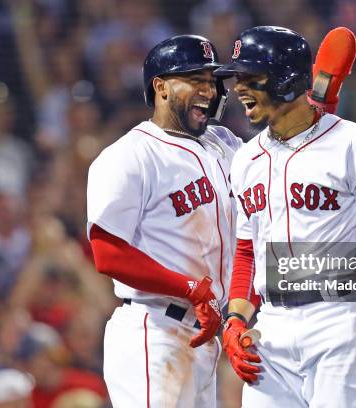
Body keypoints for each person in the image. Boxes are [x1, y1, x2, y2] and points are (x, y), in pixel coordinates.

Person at [215, 26, 356, 407]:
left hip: (340, 322)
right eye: (236, 78)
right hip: (271, 328)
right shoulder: (245, 159)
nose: (238, 88)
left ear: (288, 80)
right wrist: (236, 321)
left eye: (250, 78)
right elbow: (247, 252)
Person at [86, 35, 241, 407]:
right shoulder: (130, 155)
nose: (208, 90)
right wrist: (188, 288)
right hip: (154, 330)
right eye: (195, 79)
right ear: (161, 87)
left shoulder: (226, 145)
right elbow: (108, 253)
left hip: (205, 337)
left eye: (211, 81)